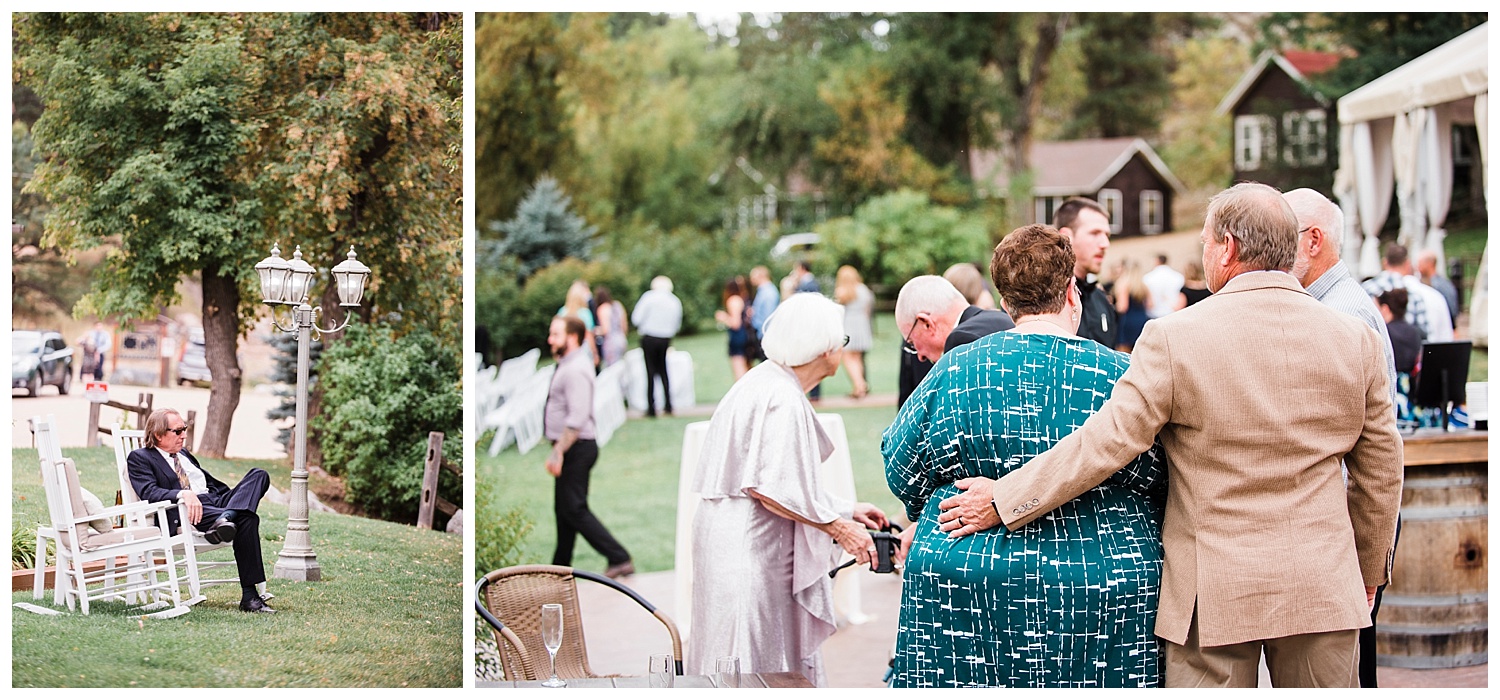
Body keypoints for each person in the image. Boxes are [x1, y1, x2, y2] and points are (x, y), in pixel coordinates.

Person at [937, 183, 1404, 688]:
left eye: (1204, 242)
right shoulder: (1356, 338)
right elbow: (1380, 469)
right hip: (1322, 579)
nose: (1203, 254)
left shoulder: (1173, 337)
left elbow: (1104, 443)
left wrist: (1004, 498)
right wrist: (1368, 570)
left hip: (1214, 588)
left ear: (1227, 247)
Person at [884, 224, 1168, 687]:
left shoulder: (956, 368)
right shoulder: (1123, 375)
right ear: (1072, 294)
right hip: (1105, 581)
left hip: (971, 582)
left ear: (1004, 304)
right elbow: (1162, 476)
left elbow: (901, 465)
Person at [687, 292, 890, 687]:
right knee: (754, 661)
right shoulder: (781, 397)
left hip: (734, 541)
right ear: (824, 349)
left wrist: (845, 508)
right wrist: (839, 528)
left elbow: (779, 480)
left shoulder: (763, 381)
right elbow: (771, 488)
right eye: (841, 342)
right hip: (750, 552)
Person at [1284, 187, 1401, 687]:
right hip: (1342, 519)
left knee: (1353, 672)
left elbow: (1368, 450)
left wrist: (1366, 554)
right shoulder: (1327, 305)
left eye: (1282, 236)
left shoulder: (1342, 314)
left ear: (1314, 240)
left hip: (1351, 520)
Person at [126, 408, 275, 613]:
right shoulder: (140, 457)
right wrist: (183, 494)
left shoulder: (184, 454)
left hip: (216, 500)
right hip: (188, 510)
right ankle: (250, 597)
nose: (184, 435)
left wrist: (223, 501)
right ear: (159, 435)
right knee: (248, 519)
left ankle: (226, 517)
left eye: (184, 429)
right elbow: (148, 491)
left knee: (259, 474)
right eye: (177, 431)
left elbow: (207, 483)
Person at [543, 315, 633, 579]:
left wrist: (558, 450)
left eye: (555, 334)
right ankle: (559, 569)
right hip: (572, 446)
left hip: (577, 447)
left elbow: (578, 416)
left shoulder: (576, 369)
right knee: (564, 511)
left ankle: (619, 557)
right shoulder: (568, 364)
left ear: (571, 337)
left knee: (574, 509)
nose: (550, 339)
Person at [894, 275, 1015, 407]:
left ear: (926, 323)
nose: (920, 356)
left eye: (911, 342)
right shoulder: (1003, 319)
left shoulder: (960, 340)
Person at [1053, 197, 1118, 348]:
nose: (1105, 244)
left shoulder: (1101, 300)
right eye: (1095, 233)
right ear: (1066, 236)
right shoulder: (1043, 301)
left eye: (1107, 235)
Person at [1363, 243, 1453, 343]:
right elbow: (1423, 335)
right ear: (1407, 264)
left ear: (1385, 262)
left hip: (1373, 350)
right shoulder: (1414, 293)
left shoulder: (1365, 289)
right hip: (1406, 353)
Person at [632, 276, 682, 418]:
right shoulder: (674, 300)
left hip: (649, 337)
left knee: (650, 372)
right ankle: (668, 405)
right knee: (663, 371)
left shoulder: (648, 297)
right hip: (665, 338)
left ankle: (651, 407)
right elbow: (677, 322)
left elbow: (636, 318)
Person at [834, 265, 874, 399]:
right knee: (857, 358)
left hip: (849, 323)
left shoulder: (843, 291)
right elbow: (868, 309)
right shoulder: (863, 289)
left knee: (847, 356)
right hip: (861, 323)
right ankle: (859, 387)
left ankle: (860, 384)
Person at [713, 277, 752, 381]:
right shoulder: (741, 299)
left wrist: (723, 317)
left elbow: (736, 323)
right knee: (746, 367)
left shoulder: (733, 300)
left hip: (737, 337)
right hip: (744, 336)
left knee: (739, 371)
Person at [1415, 249, 1460, 327]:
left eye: (1420, 263)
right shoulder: (1423, 283)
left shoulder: (1441, 285)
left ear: (1430, 263)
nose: (1417, 266)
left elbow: (1452, 310)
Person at [1111, 261, 1149, 352]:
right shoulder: (1144, 286)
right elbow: (1150, 305)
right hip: (1142, 320)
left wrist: (1111, 306)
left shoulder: (1123, 284)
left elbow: (1122, 307)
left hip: (1128, 322)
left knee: (1124, 354)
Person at [592, 286, 628, 369]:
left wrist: (595, 331)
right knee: (622, 367)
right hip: (621, 338)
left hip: (611, 343)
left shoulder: (602, 309)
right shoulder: (617, 305)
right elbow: (624, 325)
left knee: (613, 370)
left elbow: (605, 330)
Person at [748, 265, 780, 360]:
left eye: (753, 277)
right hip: (761, 334)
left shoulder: (768, 292)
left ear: (761, 276)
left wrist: (765, 336)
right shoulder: (762, 291)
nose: (751, 279)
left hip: (765, 335)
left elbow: (768, 316)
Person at [1142, 253, 1184, 318]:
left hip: (1153, 314)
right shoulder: (1179, 277)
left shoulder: (1147, 278)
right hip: (1173, 312)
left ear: (1157, 261)